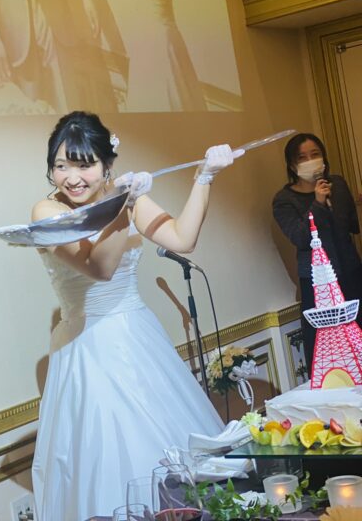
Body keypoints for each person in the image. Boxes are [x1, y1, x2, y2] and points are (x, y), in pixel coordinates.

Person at [29, 111, 237, 520]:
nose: (72, 178)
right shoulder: (47, 211)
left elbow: (182, 238)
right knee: (106, 458)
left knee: (171, 453)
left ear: (107, 164)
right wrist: (121, 206)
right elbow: (98, 267)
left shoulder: (127, 197)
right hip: (87, 351)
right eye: (62, 165)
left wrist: (204, 177)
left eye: (85, 164)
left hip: (138, 338)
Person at [272, 132, 362, 373]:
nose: (310, 160)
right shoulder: (284, 200)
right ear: (292, 165)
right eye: (302, 157)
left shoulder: (337, 185)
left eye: (315, 154)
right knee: (328, 348)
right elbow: (300, 237)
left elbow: (352, 225)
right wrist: (318, 203)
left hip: (351, 270)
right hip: (318, 282)